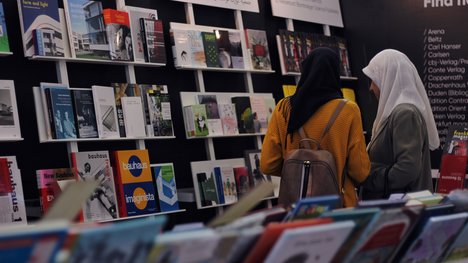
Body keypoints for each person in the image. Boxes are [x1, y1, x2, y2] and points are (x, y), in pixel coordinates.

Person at [260, 47, 370, 207]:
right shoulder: (348, 110)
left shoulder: (284, 108)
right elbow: (360, 172)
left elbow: (267, 164)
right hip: (339, 206)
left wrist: (299, 171)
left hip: (296, 206)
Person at [360, 49, 440, 199]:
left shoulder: (405, 113)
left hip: (402, 208)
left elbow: (407, 169)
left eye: (374, 79)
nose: (371, 87)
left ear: (387, 77)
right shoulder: (398, 112)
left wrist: (367, 177)